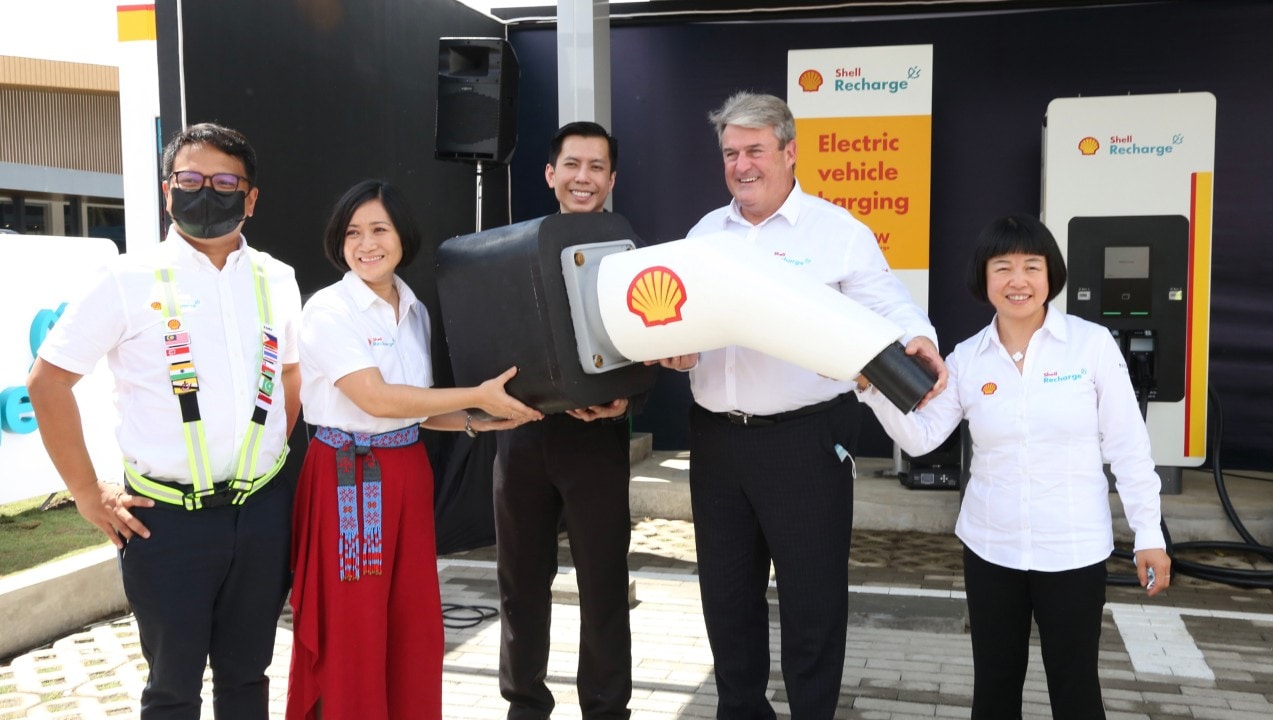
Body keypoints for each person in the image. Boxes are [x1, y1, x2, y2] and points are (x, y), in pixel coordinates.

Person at [654, 92, 948, 719]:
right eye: (731, 153)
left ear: (790, 152)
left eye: (756, 150)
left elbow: (888, 304)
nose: (742, 165)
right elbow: (683, 324)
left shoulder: (838, 233)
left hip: (806, 443)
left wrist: (916, 337)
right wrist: (677, 352)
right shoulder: (706, 233)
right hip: (717, 444)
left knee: (813, 605)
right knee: (728, 602)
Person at [27, 122, 301, 719]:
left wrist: (265, 463)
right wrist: (84, 491)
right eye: (191, 178)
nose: (208, 190)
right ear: (167, 191)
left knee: (248, 678)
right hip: (167, 524)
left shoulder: (278, 279)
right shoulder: (126, 279)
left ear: (250, 197)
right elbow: (48, 382)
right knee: (173, 690)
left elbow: (289, 379)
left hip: (261, 515)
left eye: (226, 180)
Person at [857, 214, 1172, 719]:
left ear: (1051, 276)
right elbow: (922, 438)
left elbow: (1130, 447)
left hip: (1072, 550)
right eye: (1002, 268)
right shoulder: (966, 359)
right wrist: (873, 388)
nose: (1018, 281)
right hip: (991, 548)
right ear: (984, 280)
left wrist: (1148, 535)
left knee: (1075, 689)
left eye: (1031, 266)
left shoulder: (1091, 346)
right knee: (995, 687)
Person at [286, 179, 541, 720]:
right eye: (352, 233)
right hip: (347, 482)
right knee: (354, 626)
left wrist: (480, 419)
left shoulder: (414, 308)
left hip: (406, 472)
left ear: (403, 237)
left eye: (379, 229)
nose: (366, 244)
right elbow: (376, 399)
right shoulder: (328, 310)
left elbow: (416, 409)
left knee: (410, 621)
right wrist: (476, 394)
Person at [492, 121, 637, 720]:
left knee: (603, 586)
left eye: (596, 166)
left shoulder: (631, 255)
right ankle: (525, 705)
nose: (584, 177)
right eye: (571, 165)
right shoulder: (511, 250)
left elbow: (651, 350)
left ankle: (606, 710)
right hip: (521, 439)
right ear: (550, 175)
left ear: (612, 178)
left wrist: (625, 400)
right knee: (520, 586)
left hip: (597, 443)